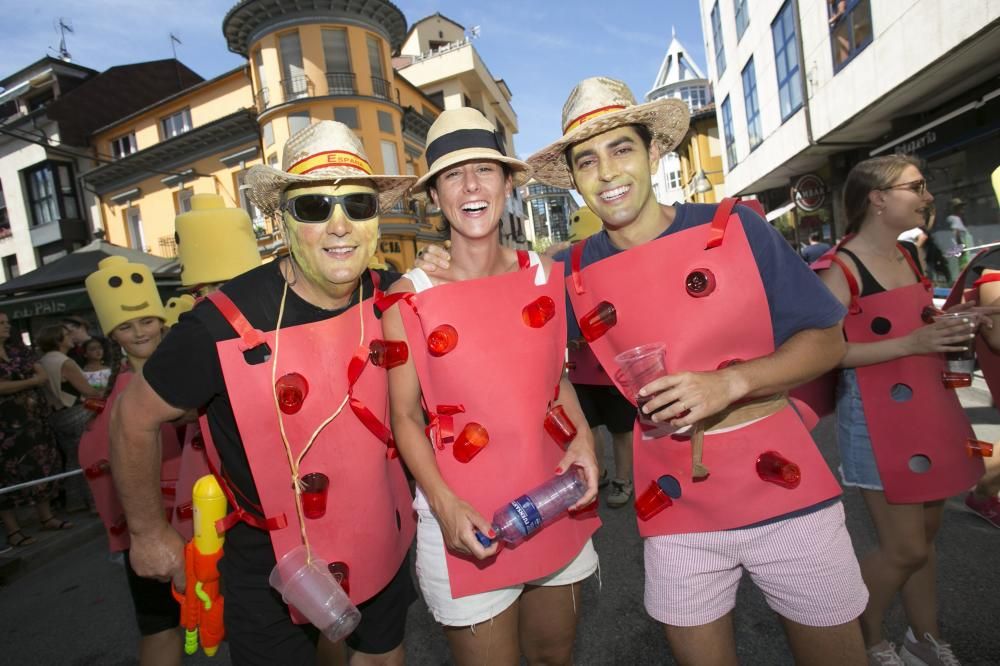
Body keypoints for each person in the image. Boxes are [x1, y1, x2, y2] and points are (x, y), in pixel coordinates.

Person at [525, 76, 868, 665]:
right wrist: (451, 263)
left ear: (654, 152)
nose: (607, 174)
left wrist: (729, 383)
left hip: (786, 488)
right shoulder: (573, 271)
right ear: (576, 179)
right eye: (587, 161)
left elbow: (828, 340)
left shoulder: (733, 227)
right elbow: (525, 357)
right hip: (673, 501)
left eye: (621, 149)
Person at [110, 121, 420, 665]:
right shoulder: (219, 324)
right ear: (282, 218)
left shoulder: (391, 292)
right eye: (314, 207)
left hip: (379, 534)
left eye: (358, 205)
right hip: (270, 565)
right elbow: (131, 420)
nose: (340, 225)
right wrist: (146, 531)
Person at [381, 107, 600, 666]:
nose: (472, 186)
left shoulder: (544, 275)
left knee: (556, 656)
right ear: (435, 196)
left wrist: (585, 442)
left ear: (508, 183)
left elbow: (558, 380)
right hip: (463, 518)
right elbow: (404, 417)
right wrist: (446, 504)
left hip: (551, 497)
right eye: (454, 174)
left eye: (485, 169)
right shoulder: (410, 294)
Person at [816, 155, 985, 665]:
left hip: (930, 408)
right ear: (878, 197)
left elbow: (917, 321)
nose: (927, 195)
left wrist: (955, 318)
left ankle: (923, 638)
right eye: (916, 186)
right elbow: (826, 352)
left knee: (927, 539)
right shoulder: (840, 268)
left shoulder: (907, 255)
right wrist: (915, 341)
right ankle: (863, 636)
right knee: (905, 548)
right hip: (877, 422)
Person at [78, 256, 184, 666]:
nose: (139, 332)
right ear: (113, 335)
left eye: (146, 321)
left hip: (209, 516)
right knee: (160, 624)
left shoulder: (184, 369)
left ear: (160, 320)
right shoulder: (117, 396)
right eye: (126, 326)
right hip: (153, 524)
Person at [564, 205, 636, 507]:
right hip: (582, 370)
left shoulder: (620, 269)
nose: (582, 250)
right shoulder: (569, 273)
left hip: (615, 369)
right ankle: (602, 471)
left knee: (622, 430)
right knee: (589, 426)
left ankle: (624, 480)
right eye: (576, 244)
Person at [0, 313, 70, 547]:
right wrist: (29, 382)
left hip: (33, 420)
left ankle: (46, 516)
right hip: (5, 426)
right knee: (6, 475)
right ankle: (13, 530)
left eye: (7, 322)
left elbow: (41, 374)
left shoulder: (19, 350)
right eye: (1, 323)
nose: (6, 326)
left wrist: (21, 384)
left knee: (43, 464)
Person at [36, 323, 104, 511]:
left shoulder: (43, 361)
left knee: (73, 460)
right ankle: (94, 502)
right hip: (76, 413)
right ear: (58, 340)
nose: (71, 337)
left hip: (56, 416)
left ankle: (74, 503)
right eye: (66, 335)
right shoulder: (65, 362)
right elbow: (87, 390)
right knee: (89, 457)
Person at [946, 198, 973, 271]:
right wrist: (961, 249)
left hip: (964, 251)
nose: (962, 208)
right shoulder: (954, 219)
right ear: (954, 209)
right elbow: (956, 233)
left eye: (962, 206)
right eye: (959, 206)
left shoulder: (958, 219)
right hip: (962, 252)